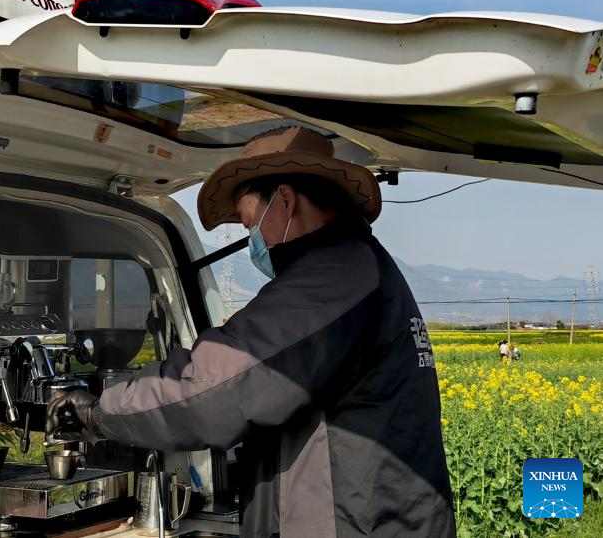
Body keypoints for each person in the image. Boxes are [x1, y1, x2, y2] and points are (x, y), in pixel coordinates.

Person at [48, 126, 456, 537]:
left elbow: (216, 388)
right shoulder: (357, 268)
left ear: (285, 201)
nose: (253, 240)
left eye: (249, 225)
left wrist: (97, 413)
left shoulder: (334, 278)